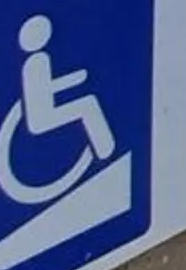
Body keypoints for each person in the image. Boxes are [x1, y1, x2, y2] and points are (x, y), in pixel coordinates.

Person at [14, 15, 113, 163]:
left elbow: (46, 89)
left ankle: (105, 150)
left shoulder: (36, 60)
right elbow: (43, 90)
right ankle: (105, 149)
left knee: (87, 103)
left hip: (45, 112)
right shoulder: (37, 62)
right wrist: (75, 79)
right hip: (42, 117)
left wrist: (75, 79)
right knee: (88, 104)